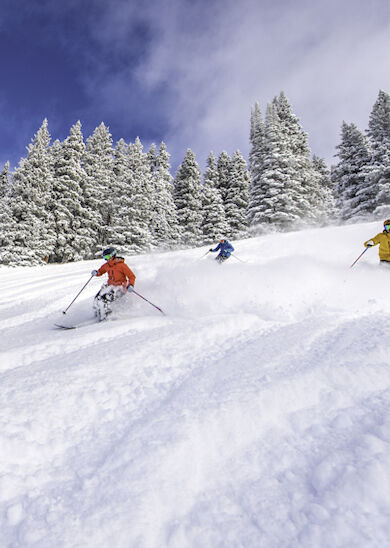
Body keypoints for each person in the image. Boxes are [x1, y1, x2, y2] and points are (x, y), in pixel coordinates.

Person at [91, 247, 136, 321]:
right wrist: (96, 273)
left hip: (120, 287)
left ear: (113, 255)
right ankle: (98, 314)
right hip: (110, 286)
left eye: (108, 257)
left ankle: (107, 316)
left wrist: (131, 285)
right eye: (104, 257)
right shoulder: (107, 265)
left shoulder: (122, 265)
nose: (106, 259)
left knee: (105, 299)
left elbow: (132, 276)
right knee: (97, 298)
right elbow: (100, 271)